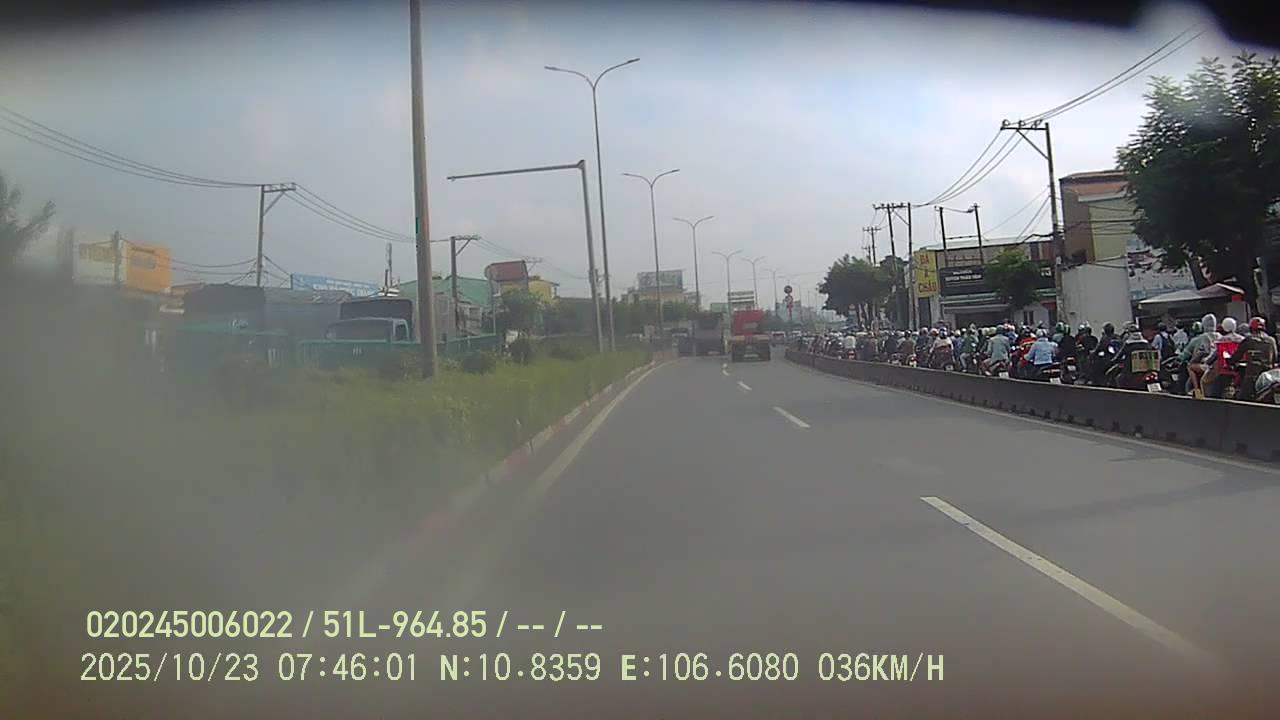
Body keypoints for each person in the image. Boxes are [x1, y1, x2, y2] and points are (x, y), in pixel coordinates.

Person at [1232, 317, 1278, 400]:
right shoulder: (1272, 340)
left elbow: (1237, 356)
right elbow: (1275, 357)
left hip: (1252, 376)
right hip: (1268, 376)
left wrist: (1230, 361)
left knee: (1242, 400)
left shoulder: (1249, 339)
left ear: (1251, 328)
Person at [1179, 314, 1219, 398]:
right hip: (1218, 365)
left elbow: (1185, 355)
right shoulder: (1220, 336)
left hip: (1206, 365)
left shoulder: (1199, 339)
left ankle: (1197, 390)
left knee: (1190, 366)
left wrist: (1180, 357)